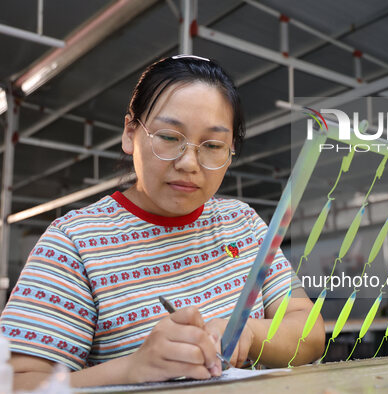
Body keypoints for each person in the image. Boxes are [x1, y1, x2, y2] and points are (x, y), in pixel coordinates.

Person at [0, 55, 325, 390]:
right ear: (130, 133)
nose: (188, 162)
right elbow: (15, 383)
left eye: (212, 145)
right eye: (169, 137)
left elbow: (310, 331)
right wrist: (132, 370)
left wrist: (250, 332)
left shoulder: (244, 225)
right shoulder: (74, 243)